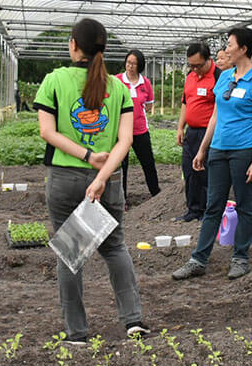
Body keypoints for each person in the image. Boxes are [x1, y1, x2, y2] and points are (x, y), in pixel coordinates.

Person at [34, 18, 148, 342]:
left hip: (65, 178)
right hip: (108, 179)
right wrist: (102, 174)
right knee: (115, 247)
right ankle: (133, 320)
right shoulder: (118, 87)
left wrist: (87, 156)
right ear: (104, 49)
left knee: (70, 254)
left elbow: (47, 132)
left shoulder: (55, 80)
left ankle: (77, 333)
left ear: (73, 45)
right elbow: (126, 141)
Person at [173, 27, 252, 281]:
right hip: (218, 149)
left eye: (230, 44)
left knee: (244, 205)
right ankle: (198, 259)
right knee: (213, 205)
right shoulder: (225, 77)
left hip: (243, 151)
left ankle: (240, 258)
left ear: (244, 49)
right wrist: (203, 149)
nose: (226, 49)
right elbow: (215, 116)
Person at [175, 42, 219, 221]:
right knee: (189, 170)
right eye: (191, 65)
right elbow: (186, 102)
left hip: (209, 133)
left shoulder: (218, 76)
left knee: (206, 171)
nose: (194, 69)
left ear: (208, 60)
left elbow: (220, 109)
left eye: (198, 66)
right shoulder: (190, 76)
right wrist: (180, 127)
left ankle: (207, 211)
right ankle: (192, 210)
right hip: (191, 132)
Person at [116, 49, 160, 201]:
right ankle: (122, 199)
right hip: (120, 132)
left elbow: (148, 105)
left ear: (140, 66)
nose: (130, 66)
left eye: (134, 64)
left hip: (140, 130)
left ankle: (156, 195)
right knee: (122, 165)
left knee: (148, 163)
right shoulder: (117, 81)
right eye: (128, 63)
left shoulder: (145, 83)